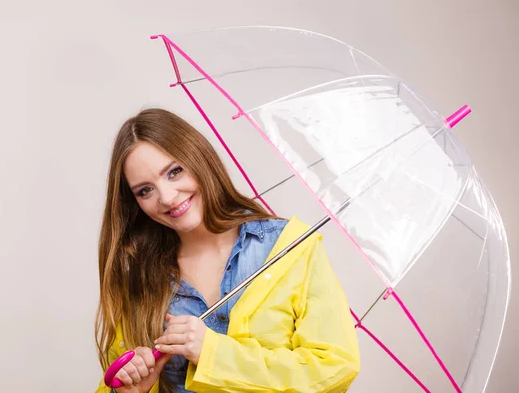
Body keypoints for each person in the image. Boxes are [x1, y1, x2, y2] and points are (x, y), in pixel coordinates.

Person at [94, 108, 360, 393]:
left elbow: (334, 369)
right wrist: (134, 391)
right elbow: (117, 379)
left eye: (174, 172)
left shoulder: (290, 248)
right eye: (145, 190)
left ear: (199, 159)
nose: (167, 197)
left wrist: (213, 353)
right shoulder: (141, 276)